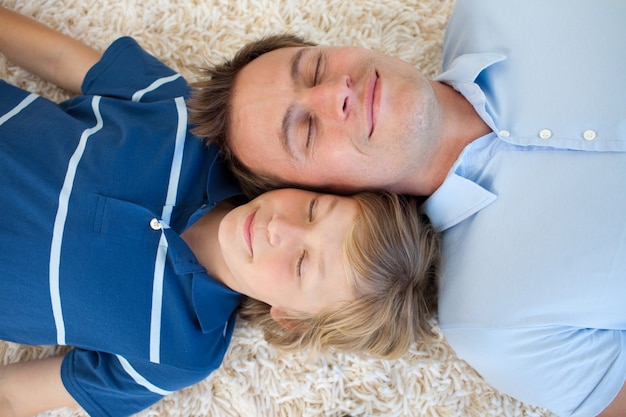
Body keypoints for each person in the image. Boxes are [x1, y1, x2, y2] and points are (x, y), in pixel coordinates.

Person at [187, 1, 626, 416]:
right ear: (320, 192)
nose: (335, 92)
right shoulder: (493, 326)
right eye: (306, 131)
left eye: (316, 67)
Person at [0, 6, 442, 417]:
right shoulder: (191, 121)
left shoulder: (180, 353)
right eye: (312, 209)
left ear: (288, 317)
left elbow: (13, 394)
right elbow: (60, 60)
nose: (280, 230)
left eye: (301, 264)